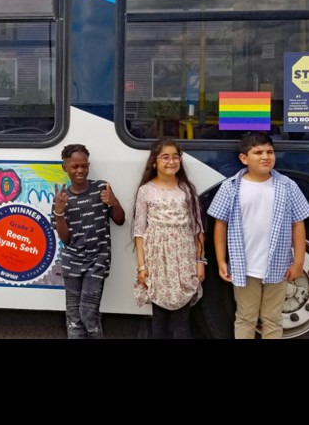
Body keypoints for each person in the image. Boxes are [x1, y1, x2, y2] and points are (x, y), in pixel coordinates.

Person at [207, 131, 309, 339]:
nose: (265, 156)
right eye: (258, 152)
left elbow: (298, 224)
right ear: (244, 158)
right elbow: (220, 224)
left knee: (272, 318)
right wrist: (221, 260)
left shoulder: (287, 186)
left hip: (278, 266)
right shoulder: (231, 187)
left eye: (270, 152)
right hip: (244, 267)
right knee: (246, 317)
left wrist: (298, 261)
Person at [132, 138, 205, 339]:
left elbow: (197, 228)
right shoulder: (146, 190)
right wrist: (142, 267)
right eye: (165, 157)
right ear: (154, 162)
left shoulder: (187, 190)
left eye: (175, 157)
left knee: (182, 318)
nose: (171, 161)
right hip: (157, 259)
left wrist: (200, 261)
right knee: (159, 316)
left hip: (183, 258)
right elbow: (139, 232)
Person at [52, 143, 126, 339]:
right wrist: (59, 212)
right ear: (65, 167)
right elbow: (65, 239)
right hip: (72, 262)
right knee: (74, 318)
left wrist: (114, 203)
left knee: (88, 313)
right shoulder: (62, 197)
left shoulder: (101, 188)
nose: (80, 170)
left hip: (97, 261)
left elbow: (120, 220)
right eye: (75, 166)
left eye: (84, 166)